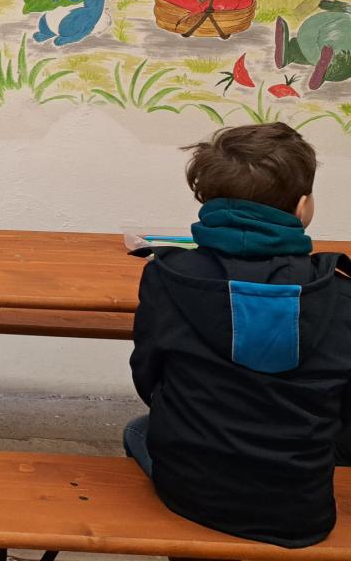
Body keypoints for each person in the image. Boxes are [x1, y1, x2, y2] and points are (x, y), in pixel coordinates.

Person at [126, 121, 351, 547]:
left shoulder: (166, 277)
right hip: (301, 514)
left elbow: (147, 379)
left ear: (206, 202)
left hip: (191, 495)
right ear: (303, 208)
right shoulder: (340, 294)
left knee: (138, 429)